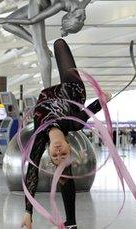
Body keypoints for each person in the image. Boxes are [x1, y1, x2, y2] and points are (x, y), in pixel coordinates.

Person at [22, 39, 111, 229]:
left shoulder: (39, 137)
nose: (59, 152)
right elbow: (85, 113)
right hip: (71, 90)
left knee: (55, 44)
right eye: (64, 154)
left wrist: (28, 212)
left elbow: (31, 175)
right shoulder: (72, 124)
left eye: (55, 156)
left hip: (47, 94)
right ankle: (72, 222)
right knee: (60, 44)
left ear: (49, 150)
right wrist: (102, 100)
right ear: (70, 147)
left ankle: (70, 222)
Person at [0, 0, 128, 87]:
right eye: (82, 20)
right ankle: (37, 43)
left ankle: (46, 90)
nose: (83, 17)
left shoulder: (60, 4)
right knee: (12, 29)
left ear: (70, 15)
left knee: (40, 49)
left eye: (79, 19)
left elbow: (31, 21)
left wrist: (3, 19)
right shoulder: (80, 6)